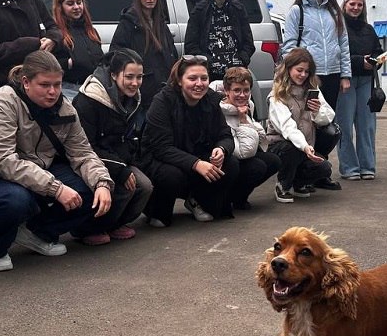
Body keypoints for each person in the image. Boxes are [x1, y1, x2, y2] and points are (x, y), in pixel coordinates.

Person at [0, 51, 118, 271]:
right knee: (15, 199)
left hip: (37, 169)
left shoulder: (65, 108)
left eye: (57, 84)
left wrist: (102, 183)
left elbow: (82, 152)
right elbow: (2, 161)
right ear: (26, 82)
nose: (53, 92)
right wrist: (56, 188)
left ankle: (36, 232)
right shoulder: (3, 102)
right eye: (44, 85)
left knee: (91, 192)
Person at [139, 55, 238, 226]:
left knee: (231, 163)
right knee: (171, 178)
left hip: (196, 156)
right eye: (192, 78)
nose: (199, 83)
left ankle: (197, 200)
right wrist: (196, 163)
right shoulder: (162, 101)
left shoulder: (211, 100)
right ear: (179, 80)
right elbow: (161, 147)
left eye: (204, 78)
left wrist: (222, 149)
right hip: (162, 160)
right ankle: (157, 209)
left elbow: (225, 135)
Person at [72, 48, 152, 239]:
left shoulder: (133, 99)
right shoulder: (89, 100)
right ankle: (87, 229)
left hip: (117, 158)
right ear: (114, 75)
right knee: (123, 186)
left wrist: (129, 163)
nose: (135, 83)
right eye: (129, 76)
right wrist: (120, 170)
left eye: (139, 77)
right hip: (87, 160)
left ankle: (114, 224)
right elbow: (85, 147)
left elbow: (127, 138)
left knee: (145, 186)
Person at [265, 48, 338, 202]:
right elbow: (287, 128)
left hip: (306, 146)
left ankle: (299, 183)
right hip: (283, 146)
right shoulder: (277, 95)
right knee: (290, 147)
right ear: (289, 68)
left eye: (307, 71)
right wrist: (305, 147)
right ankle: (283, 184)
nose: (303, 75)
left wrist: (316, 112)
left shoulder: (312, 88)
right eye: (299, 70)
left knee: (325, 168)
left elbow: (329, 116)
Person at [280, 0, 351, 112]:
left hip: (333, 74)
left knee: (328, 119)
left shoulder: (334, 11)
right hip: (309, 75)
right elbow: (289, 46)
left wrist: (345, 75)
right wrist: (294, 74)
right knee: (309, 118)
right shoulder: (297, 11)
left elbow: (343, 44)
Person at [215, 67, 281, 210]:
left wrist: (246, 120)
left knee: (273, 160)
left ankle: (239, 196)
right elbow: (243, 152)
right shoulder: (221, 111)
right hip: (230, 159)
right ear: (227, 91)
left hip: (245, 149)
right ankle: (230, 196)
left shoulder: (248, 105)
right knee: (257, 166)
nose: (242, 95)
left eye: (246, 90)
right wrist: (243, 120)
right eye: (237, 90)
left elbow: (261, 136)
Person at [335, 0, 384, 181]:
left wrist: (375, 61)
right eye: (352, 4)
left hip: (366, 81)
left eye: (359, 5)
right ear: (345, 6)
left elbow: (378, 52)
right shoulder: (338, 28)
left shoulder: (369, 29)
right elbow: (337, 53)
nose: (356, 8)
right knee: (344, 125)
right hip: (345, 81)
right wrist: (358, 62)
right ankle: (349, 168)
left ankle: (367, 166)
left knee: (367, 126)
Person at [110, 0, 178, 108]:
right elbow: (116, 52)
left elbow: (172, 54)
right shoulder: (128, 22)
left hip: (165, 86)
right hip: (142, 88)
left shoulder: (161, 22)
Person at [183, 0, 254, 82]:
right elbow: (190, 45)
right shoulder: (199, 10)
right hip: (209, 75)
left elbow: (249, 42)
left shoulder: (238, 9)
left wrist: (241, 60)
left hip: (236, 75)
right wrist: (208, 62)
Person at [51, 0, 104, 102]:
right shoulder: (55, 34)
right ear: (60, 7)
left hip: (93, 88)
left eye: (79, 2)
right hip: (68, 89)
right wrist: (69, 63)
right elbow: (47, 66)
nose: (76, 7)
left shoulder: (91, 31)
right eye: (70, 3)